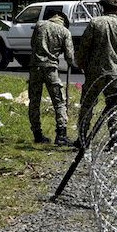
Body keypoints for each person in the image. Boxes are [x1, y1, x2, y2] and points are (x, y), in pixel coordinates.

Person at [76, 0, 117, 146]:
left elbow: (84, 46)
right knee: (114, 107)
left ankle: (82, 139)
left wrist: (80, 63)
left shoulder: (95, 23)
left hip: (94, 72)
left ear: (103, 7)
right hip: (115, 73)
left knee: (87, 106)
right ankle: (115, 138)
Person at [28, 10, 74, 146]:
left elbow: (32, 44)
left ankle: (37, 134)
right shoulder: (65, 32)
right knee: (59, 102)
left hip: (35, 67)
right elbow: (70, 57)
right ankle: (61, 135)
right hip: (51, 69)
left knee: (34, 102)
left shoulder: (39, 25)